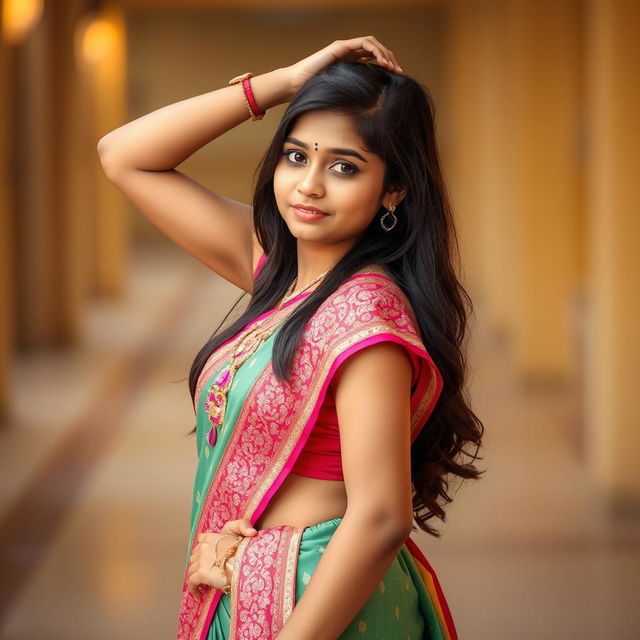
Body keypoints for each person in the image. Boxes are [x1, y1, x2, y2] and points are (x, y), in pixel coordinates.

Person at [97, 35, 484, 640]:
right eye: (297, 156)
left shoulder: (367, 320)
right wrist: (285, 81)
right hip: (251, 585)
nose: (308, 185)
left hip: (319, 603)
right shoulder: (276, 268)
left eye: (344, 167)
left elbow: (382, 517)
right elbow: (123, 154)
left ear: (394, 190)